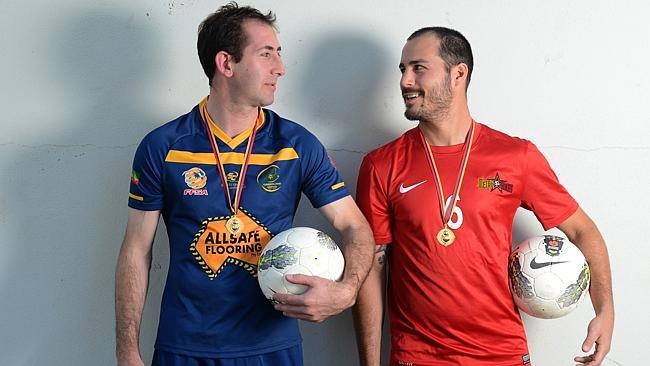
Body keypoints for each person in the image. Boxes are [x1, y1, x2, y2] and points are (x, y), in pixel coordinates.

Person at [114, 3, 374, 365]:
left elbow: (355, 226)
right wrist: (127, 351)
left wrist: (346, 292)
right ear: (226, 64)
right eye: (266, 54)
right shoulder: (164, 146)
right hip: (185, 347)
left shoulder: (296, 145)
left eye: (279, 54)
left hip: (271, 348)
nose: (280, 68)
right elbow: (136, 250)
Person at [353, 27, 614, 366]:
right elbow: (372, 267)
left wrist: (605, 311)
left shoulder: (515, 157)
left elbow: (583, 231)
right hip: (417, 357)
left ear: (458, 73)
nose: (405, 80)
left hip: (501, 355)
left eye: (418, 68)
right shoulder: (382, 164)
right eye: (402, 70)